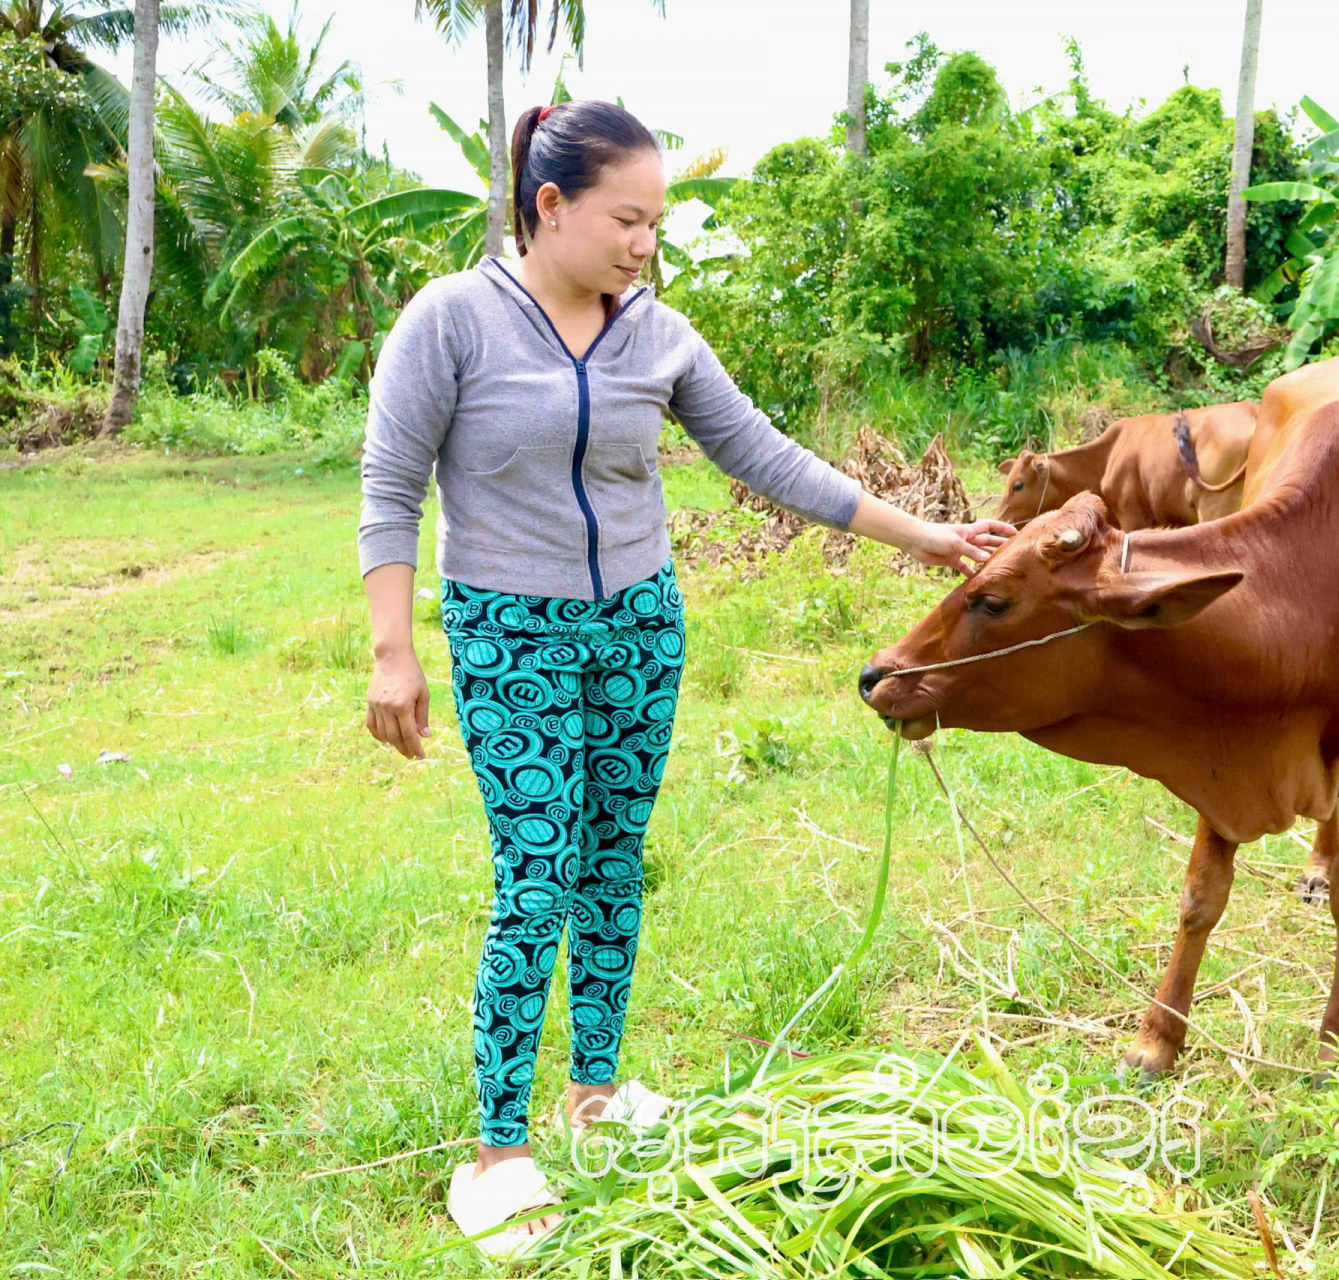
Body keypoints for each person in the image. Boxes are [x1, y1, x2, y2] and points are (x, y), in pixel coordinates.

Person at [356, 98, 1013, 1256]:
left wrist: (928, 537)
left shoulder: (657, 334)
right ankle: (499, 1152)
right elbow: (391, 481)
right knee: (537, 873)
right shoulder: (452, 319)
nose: (644, 243)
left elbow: (764, 453)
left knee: (615, 860)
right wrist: (393, 647)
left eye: (654, 222)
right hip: (510, 630)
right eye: (626, 219)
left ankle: (597, 1095)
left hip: (640, 627)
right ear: (550, 205)